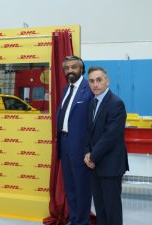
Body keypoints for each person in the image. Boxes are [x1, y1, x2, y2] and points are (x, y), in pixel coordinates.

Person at [84, 67, 129, 225]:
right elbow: (89, 133)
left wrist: (92, 156)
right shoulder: (92, 103)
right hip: (95, 165)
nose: (95, 84)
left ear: (107, 81)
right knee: (101, 209)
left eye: (99, 80)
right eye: (91, 81)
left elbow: (110, 137)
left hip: (110, 166)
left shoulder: (116, 104)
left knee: (112, 210)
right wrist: (87, 153)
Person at [56, 56, 94, 225]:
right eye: (66, 68)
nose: (70, 70)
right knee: (70, 187)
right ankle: (73, 219)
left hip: (81, 146)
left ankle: (82, 221)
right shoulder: (66, 89)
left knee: (82, 188)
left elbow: (94, 122)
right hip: (64, 144)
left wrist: (90, 149)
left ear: (81, 69)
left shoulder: (90, 89)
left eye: (73, 67)